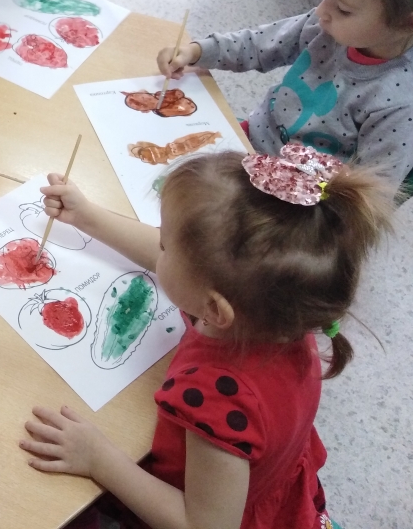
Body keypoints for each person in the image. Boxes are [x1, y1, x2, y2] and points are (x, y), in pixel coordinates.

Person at [22, 148, 393, 529]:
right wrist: (86, 216)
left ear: (214, 309)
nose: (158, 246)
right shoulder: (279, 313)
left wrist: (99, 459)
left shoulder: (217, 396)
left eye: (165, 245)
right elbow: (186, 261)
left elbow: (204, 525)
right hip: (260, 479)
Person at [159, 0, 413, 193]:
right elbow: (258, 44)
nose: (321, 11)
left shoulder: (400, 104)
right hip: (250, 143)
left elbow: (371, 195)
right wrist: (197, 52)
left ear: (406, 22)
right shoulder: (324, 25)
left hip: (296, 200)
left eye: (343, 8)